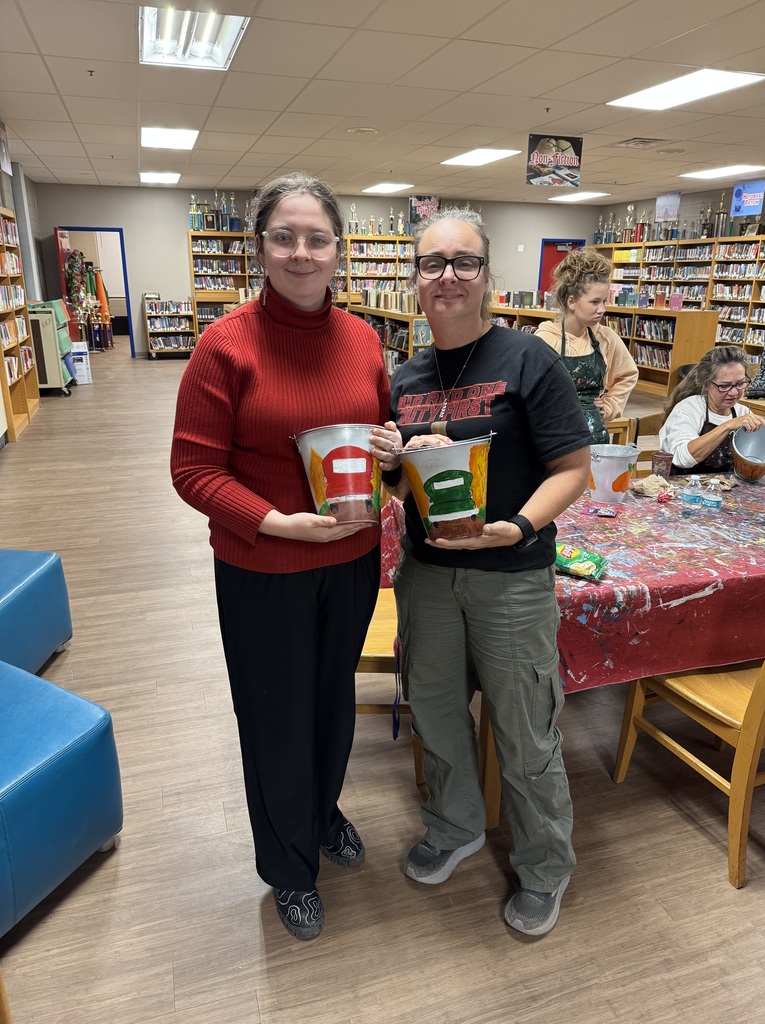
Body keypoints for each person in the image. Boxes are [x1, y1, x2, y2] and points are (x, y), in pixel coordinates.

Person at [171, 172, 391, 942]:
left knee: (332, 701)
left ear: (340, 250)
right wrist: (277, 524)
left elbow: (377, 435)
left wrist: (393, 454)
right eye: (284, 237)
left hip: (352, 559)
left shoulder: (364, 340)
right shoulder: (224, 346)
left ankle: (321, 812)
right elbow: (193, 471)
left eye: (317, 238)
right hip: (263, 568)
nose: (302, 253)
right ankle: (289, 867)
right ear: (259, 247)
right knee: (275, 716)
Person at [369, 207, 591, 937]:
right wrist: (392, 466)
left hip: (512, 576)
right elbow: (405, 488)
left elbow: (574, 470)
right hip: (428, 576)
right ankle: (456, 824)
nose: (448, 276)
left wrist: (518, 526)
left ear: (488, 275)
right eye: (432, 264)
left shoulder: (530, 360)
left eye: (464, 261)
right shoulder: (406, 376)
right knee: (436, 713)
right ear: (416, 280)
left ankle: (545, 865)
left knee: (525, 729)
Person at [535, 247, 638, 442]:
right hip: (556, 438)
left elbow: (628, 374)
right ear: (572, 302)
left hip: (596, 437)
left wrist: (610, 406)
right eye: (594, 302)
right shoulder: (546, 340)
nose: (602, 309)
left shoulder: (605, 337)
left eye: (604, 301)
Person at [659, 345, 765, 474]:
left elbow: (755, 457)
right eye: (724, 386)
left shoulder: (743, 412)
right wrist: (728, 426)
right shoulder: (688, 409)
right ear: (706, 384)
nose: (734, 392)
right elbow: (683, 458)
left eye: (740, 384)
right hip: (681, 483)